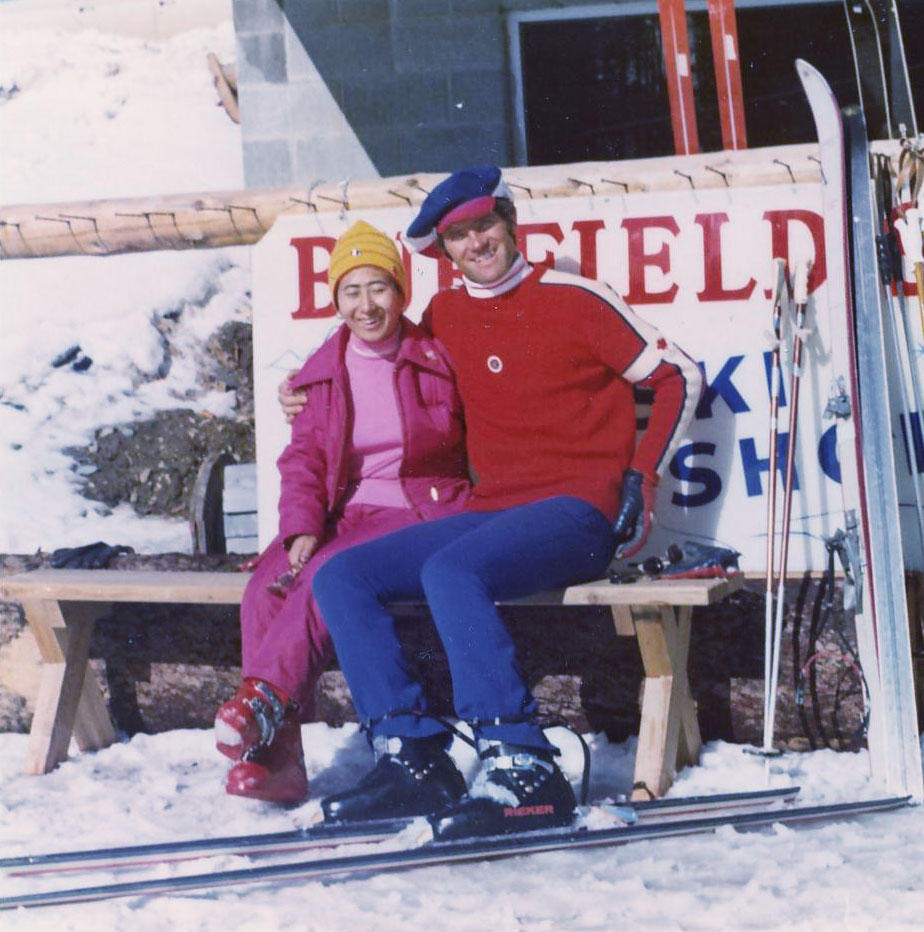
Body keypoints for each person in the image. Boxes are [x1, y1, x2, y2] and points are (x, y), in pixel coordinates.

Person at [285, 165, 702, 839]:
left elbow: (679, 373)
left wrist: (642, 479)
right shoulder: (445, 316)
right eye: (458, 235)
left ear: (509, 224)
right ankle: (412, 756)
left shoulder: (575, 298)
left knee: (452, 571)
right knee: (342, 575)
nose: (476, 242)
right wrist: (305, 390)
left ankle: (522, 761)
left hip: (577, 510)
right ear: (443, 250)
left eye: (485, 225)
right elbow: (375, 355)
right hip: (493, 509)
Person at [216, 221, 470, 804]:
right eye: (351, 291)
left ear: (400, 292)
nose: (366, 305)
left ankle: (261, 700)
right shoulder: (324, 369)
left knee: (327, 575)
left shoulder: (436, 357)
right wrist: (301, 527)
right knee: (267, 586)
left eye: (378, 287)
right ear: (336, 299)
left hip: (417, 508)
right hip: (343, 513)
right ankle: (278, 759)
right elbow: (303, 458)